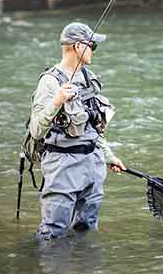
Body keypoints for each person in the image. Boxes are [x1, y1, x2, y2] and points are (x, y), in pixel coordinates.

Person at [28, 22, 126, 240]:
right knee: (53, 233)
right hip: (63, 165)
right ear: (78, 47)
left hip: (93, 163)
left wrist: (109, 156)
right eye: (92, 46)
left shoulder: (89, 77)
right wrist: (57, 101)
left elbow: (93, 127)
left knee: (86, 229)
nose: (93, 50)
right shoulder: (49, 82)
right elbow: (36, 130)